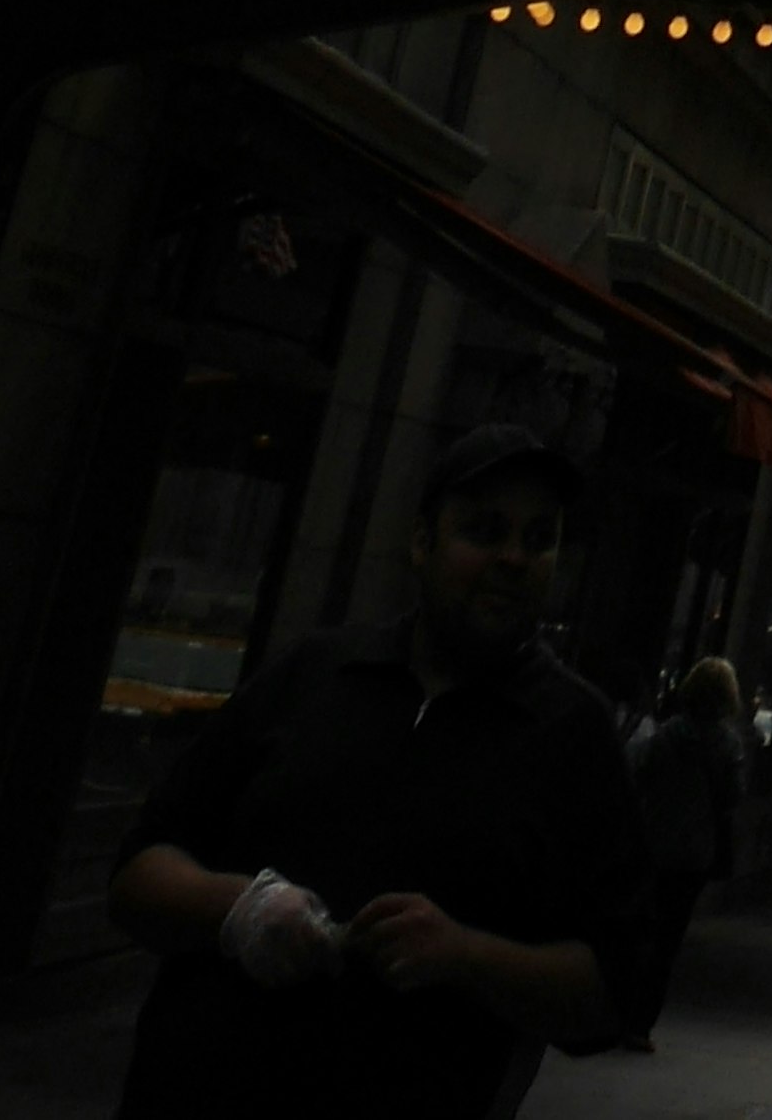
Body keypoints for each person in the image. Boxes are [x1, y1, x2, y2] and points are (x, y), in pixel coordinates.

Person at [108, 419, 659, 1116]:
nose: (515, 557)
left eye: (539, 538)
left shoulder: (574, 735)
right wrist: (237, 909)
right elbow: (135, 874)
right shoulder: (314, 674)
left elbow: (617, 989)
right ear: (422, 542)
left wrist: (464, 954)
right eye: (485, 531)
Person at [622, 652, 747, 1014]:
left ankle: (620, 1001)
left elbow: (639, 777)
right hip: (695, 851)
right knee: (669, 936)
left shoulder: (666, 735)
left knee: (639, 926)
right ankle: (643, 1017)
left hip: (655, 840)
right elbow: (733, 796)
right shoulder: (728, 746)